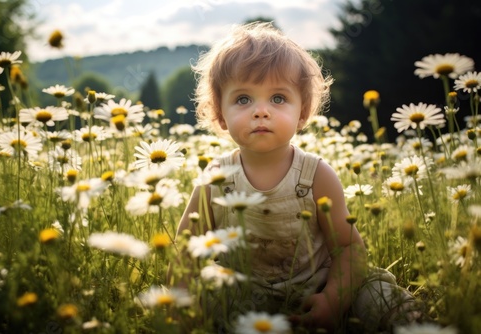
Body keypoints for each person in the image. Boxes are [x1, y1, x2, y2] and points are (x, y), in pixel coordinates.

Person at [176, 22, 419, 333]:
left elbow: (348, 249)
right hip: (245, 296)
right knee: (206, 288)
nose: (260, 111)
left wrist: (333, 299)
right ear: (221, 115)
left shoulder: (317, 175)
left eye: (278, 98)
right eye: (243, 99)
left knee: (379, 297)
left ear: (302, 113)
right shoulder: (214, 179)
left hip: (318, 288)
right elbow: (185, 250)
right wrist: (180, 307)